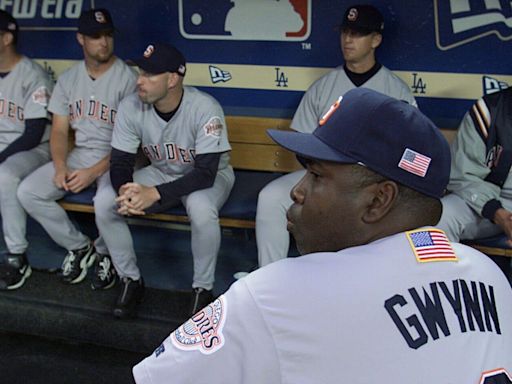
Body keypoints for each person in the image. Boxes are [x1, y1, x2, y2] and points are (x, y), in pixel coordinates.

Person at [132, 88, 512, 384]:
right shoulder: (489, 275)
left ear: (379, 199)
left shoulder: (280, 291)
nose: (296, 192)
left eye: (316, 176)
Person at [256, 4, 417, 267]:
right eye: (345, 32)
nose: (348, 39)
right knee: (271, 198)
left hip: (371, 183)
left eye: (358, 33)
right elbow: (301, 140)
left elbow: (407, 151)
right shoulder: (323, 87)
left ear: (376, 40)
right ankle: (268, 279)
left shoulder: (396, 92)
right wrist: (323, 173)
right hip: (323, 174)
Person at [93, 42, 234, 318]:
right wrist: (128, 191)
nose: (140, 81)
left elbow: (205, 173)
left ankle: (202, 290)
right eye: (140, 72)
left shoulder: (205, 108)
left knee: (202, 209)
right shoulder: (131, 106)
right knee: (105, 199)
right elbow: (120, 162)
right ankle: (130, 279)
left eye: (149, 75)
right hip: (162, 170)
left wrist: (154, 193)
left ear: (172, 79)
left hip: (209, 176)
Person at [15, 9, 137, 290]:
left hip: (119, 157)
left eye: (107, 35)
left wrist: (93, 172)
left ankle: (106, 255)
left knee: (106, 200)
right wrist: (60, 166)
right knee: (28, 192)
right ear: (81, 39)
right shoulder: (69, 79)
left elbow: (131, 143)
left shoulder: (129, 80)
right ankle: (81, 247)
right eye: (95, 37)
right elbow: (59, 130)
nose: (103, 43)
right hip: (81, 153)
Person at [0, 10, 53, 290]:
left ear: (7, 38)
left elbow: (32, 134)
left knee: (4, 176)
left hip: (33, 149)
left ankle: (16, 256)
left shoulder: (32, 75)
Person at [437, 86, 512, 276]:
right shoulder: (490, 109)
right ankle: (440, 287)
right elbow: (463, 174)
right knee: (440, 217)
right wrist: (498, 213)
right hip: (491, 201)